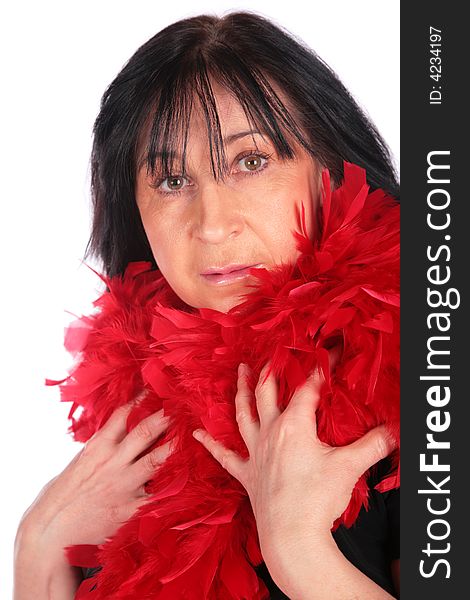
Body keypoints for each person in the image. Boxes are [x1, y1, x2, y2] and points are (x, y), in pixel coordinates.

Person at [14, 10, 400, 599]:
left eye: (251, 162)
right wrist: (39, 550)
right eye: (171, 180)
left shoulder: (422, 377)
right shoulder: (132, 421)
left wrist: (298, 545)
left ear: (332, 165)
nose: (212, 225)